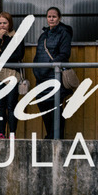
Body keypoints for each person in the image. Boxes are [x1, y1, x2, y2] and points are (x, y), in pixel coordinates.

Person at [33, 7, 73, 139]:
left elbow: (64, 54)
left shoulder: (64, 33)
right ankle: (50, 135)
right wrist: (36, 70)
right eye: (49, 16)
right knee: (43, 105)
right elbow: (38, 54)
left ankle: (56, 137)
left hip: (54, 77)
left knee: (55, 108)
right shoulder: (43, 35)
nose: (51, 19)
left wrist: (50, 66)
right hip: (41, 78)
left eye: (54, 16)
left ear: (59, 18)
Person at [0, 12, 25, 139]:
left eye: (5, 23)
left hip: (12, 74)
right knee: (0, 106)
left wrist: (3, 56)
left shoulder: (17, 36)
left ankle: (12, 133)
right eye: (0, 23)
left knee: (11, 105)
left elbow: (19, 55)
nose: (2, 25)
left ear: (10, 23)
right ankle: (1, 133)